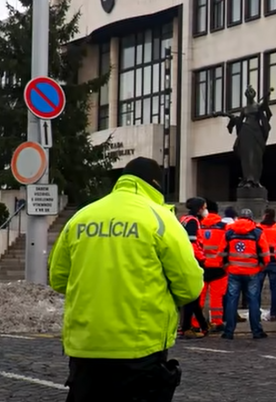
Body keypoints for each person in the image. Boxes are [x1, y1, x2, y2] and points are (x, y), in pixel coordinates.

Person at [49, 157, 203, 401]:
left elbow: (58, 279)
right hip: (140, 346)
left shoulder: (81, 217)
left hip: (85, 346)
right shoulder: (161, 219)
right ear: (155, 185)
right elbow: (190, 286)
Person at [219, 209, 271, 340]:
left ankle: (228, 332)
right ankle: (257, 331)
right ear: (251, 218)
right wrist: (261, 266)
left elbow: (221, 252)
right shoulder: (257, 233)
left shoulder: (229, 232)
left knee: (231, 301)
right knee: (253, 301)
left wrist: (225, 266)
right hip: (252, 272)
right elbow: (265, 255)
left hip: (233, 271)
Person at [195, 199, 228, 332]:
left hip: (202, 266)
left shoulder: (198, 226)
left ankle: (196, 323)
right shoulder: (224, 227)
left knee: (199, 297)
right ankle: (216, 322)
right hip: (219, 267)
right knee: (216, 298)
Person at [179, 197, 210, 339]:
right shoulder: (192, 221)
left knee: (195, 296)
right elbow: (192, 244)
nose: (205, 210)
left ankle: (202, 325)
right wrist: (202, 259)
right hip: (194, 261)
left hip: (185, 259)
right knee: (193, 297)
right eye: (204, 207)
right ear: (199, 209)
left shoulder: (184, 219)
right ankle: (186, 328)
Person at [257, 208, 276, 320]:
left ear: (265, 215)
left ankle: (256, 313)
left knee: (257, 289)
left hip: (261, 261)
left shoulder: (258, 228)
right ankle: (274, 313)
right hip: (275, 261)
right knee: (275, 289)